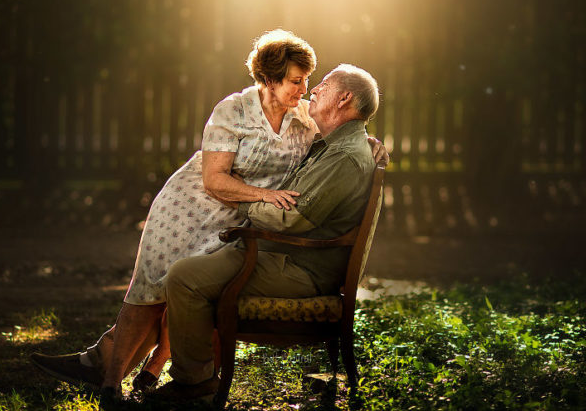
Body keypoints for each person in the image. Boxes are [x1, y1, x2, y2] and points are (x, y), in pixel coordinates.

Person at [30, 32, 387, 394]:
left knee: (188, 289)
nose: (306, 89)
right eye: (297, 81)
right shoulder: (233, 111)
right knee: (152, 293)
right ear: (269, 79)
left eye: (309, 81)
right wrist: (264, 195)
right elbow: (215, 180)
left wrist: (371, 143)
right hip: (191, 211)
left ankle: (158, 373)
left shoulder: (304, 120)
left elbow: (342, 139)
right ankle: (107, 377)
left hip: (244, 222)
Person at [145, 63, 381, 405]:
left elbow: (291, 219)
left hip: (300, 269)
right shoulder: (335, 145)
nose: (313, 90)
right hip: (285, 256)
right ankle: (190, 375)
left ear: (345, 99)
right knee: (189, 266)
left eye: (324, 86)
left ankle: (192, 382)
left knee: (184, 277)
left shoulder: (344, 156)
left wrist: (238, 202)